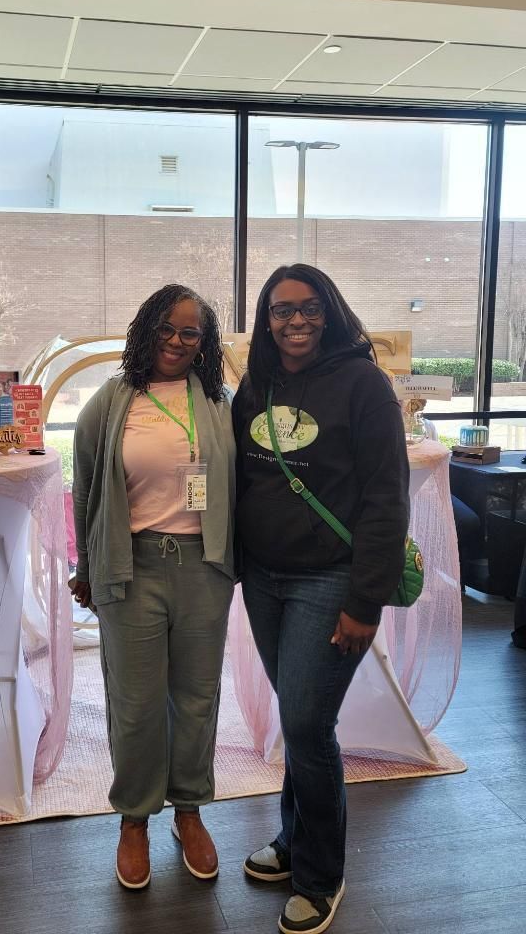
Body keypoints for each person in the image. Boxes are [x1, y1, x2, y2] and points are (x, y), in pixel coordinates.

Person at [232, 263, 409, 934]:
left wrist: (365, 601)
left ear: (329, 312)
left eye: (309, 308)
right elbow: (241, 477)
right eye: (282, 310)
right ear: (266, 319)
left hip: (330, 578)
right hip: (265, 578)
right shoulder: (256, 383)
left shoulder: (364, 384)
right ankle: (293, 838)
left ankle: (320, 875)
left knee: (308, 723)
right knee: (298, 715)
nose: (296, 321)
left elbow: (387, 497)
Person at [72, 284, 236, 891]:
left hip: (204, 567)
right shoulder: (113, 400)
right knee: (137, 704)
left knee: (196, 698)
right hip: (132, 567)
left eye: (190, 332)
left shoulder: (218, 401)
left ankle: (189, 810)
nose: (176, 340)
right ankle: (135, 818)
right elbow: (85, 488)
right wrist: (87, 568)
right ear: (146, 330)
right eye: (166, 328)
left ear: (204, 342)